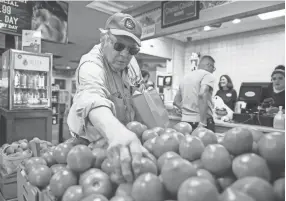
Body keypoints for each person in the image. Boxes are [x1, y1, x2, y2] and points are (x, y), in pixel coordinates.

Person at [67, 13, 154, 183]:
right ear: (104, 39)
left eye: (132, 49)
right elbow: (93, 98)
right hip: (90, 146)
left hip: (123, 139)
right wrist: (116, 133)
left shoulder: (131, 63)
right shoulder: (91, 64)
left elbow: (139, 94)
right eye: (119, 45)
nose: (125, 54)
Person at [173, 55, 216, 132]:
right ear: (209, 65)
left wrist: (186, 110)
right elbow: (202, 94)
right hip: (201, 122)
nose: (213, 71)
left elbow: (176, 101)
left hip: (185, 122)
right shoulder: (208, 75)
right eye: (213, 68)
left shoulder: (185, 77)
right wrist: (203, 122)